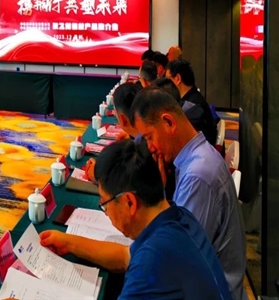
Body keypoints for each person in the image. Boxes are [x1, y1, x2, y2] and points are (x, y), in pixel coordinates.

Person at [40, 139, 232, 300]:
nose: (106, 212)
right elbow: (125, 256)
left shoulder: (152, 260)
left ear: (130, 202)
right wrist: (69, 242)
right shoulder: (179, 216)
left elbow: (141, 262)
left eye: (105, 203)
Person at [132, 88, 246, 299]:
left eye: (150, 137)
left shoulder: (197, 175)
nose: (151, 147)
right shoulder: (194, 158)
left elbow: (171, 260)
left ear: (168, 122)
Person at [166, 59, 218, 147]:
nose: (166, 84)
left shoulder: (190, 106)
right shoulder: (194, 96)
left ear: (178, 78)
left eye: (168, 79)